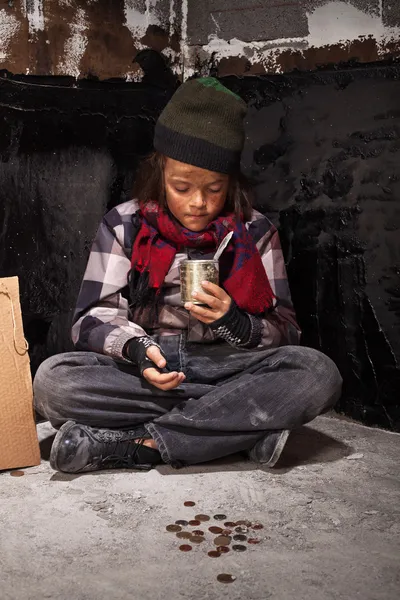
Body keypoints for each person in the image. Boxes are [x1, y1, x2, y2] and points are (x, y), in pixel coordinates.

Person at [33, 77, 342, 474]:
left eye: (214, 189)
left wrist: (236, 321)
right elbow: (92, 319)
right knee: (53, 383)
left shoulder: (255, 231)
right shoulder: (124, 224)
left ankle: (137, 444)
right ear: (159, 173)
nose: (198, 203)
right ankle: (236, 429)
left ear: (230, 182)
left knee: (317, 373)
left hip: (225, 367)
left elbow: (287, 330)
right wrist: (138, 351)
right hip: (150, 371)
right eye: (182, 187)